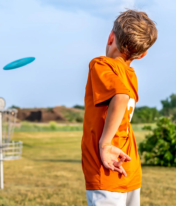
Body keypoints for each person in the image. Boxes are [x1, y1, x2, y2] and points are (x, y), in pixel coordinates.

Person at [81, 10, 157, 206]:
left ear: (110, 37)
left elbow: (120, 96)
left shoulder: (101, 64)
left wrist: (105, 144)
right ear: (142, 54)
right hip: (129, 169)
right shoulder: (130, 75)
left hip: (107, 168)